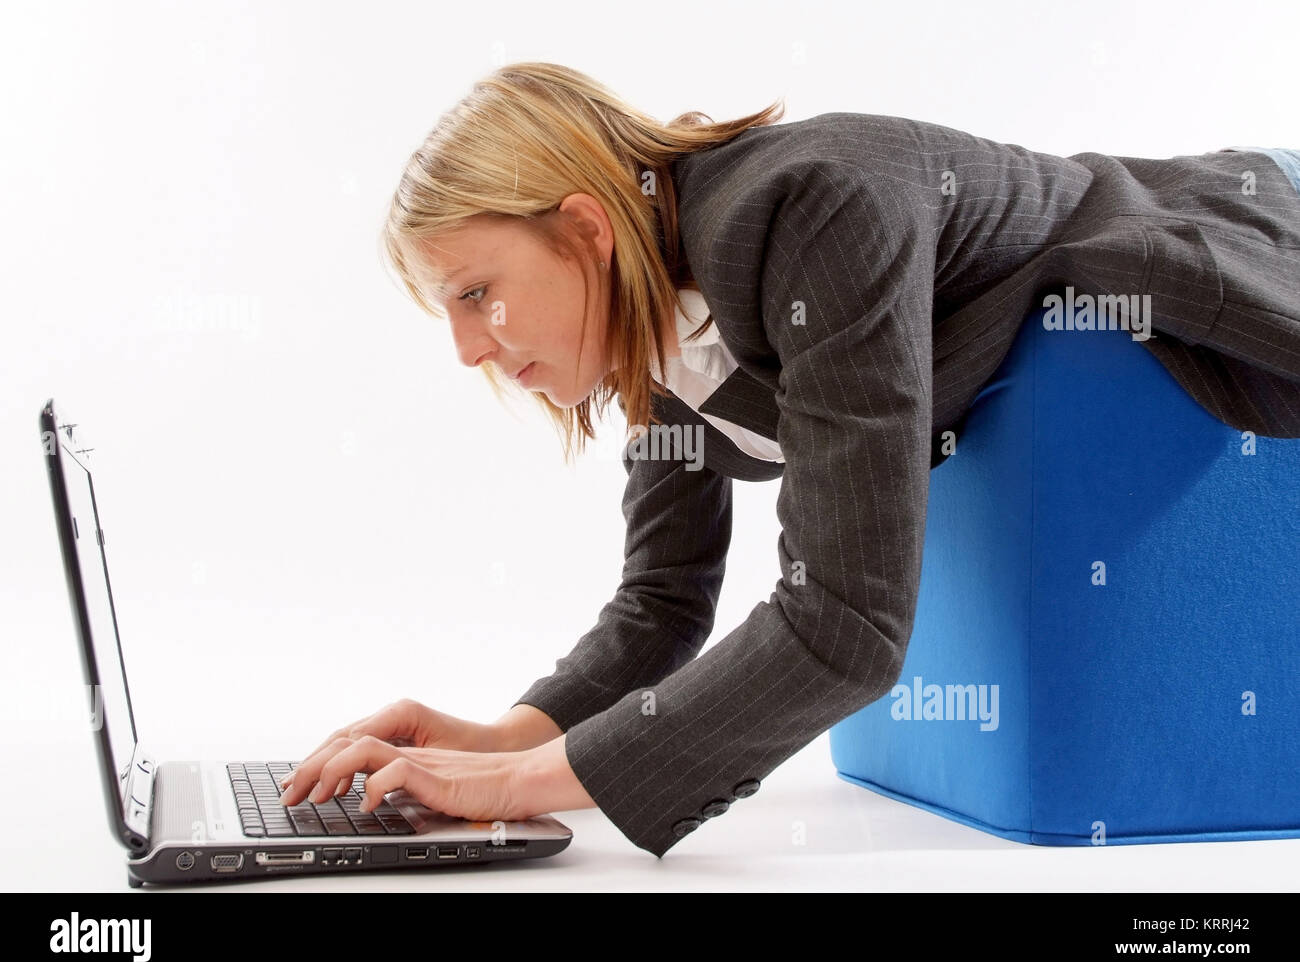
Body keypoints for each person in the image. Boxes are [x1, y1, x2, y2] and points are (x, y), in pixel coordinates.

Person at [278, 62, 1300, 858]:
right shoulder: (649, 330)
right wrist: (504, 737)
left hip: (1227, 238)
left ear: (583, 228)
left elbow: (845, 623)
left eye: (474, 292)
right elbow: (660, 605)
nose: (467, 348)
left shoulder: (813, 209)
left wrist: (517, 790)